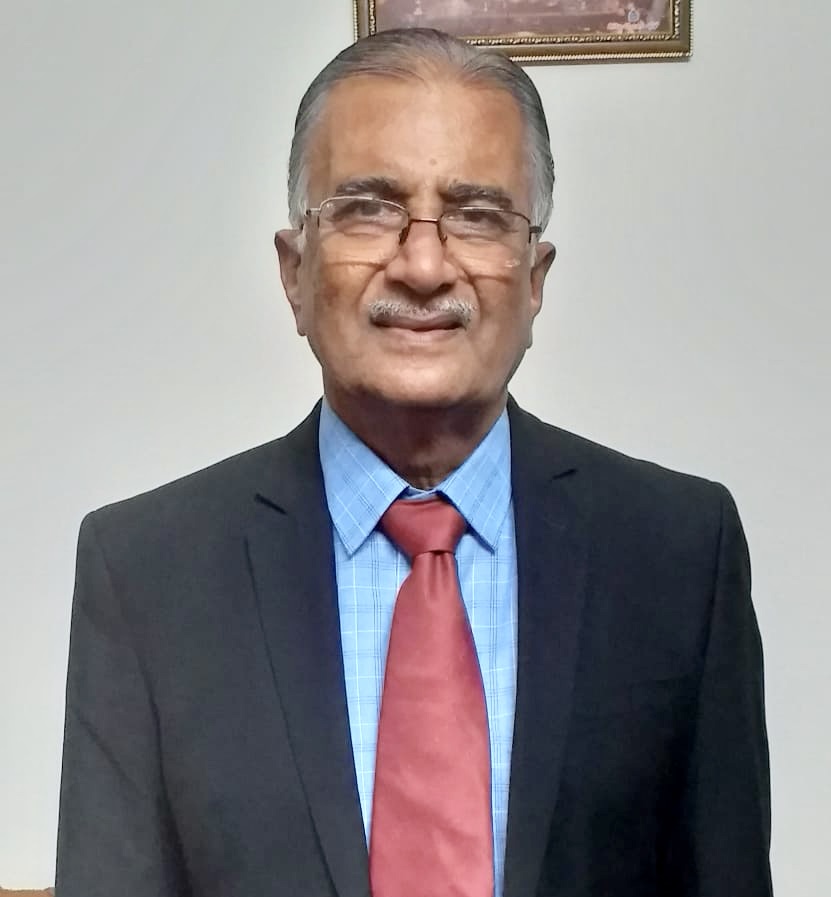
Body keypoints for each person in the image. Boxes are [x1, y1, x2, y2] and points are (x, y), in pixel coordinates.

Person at [56, 27, 772, 897]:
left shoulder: (678, 555)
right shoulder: (147, 573)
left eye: (477, 214)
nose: (424, 265)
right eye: (368, 208)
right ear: (294, 271)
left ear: (534, 278)